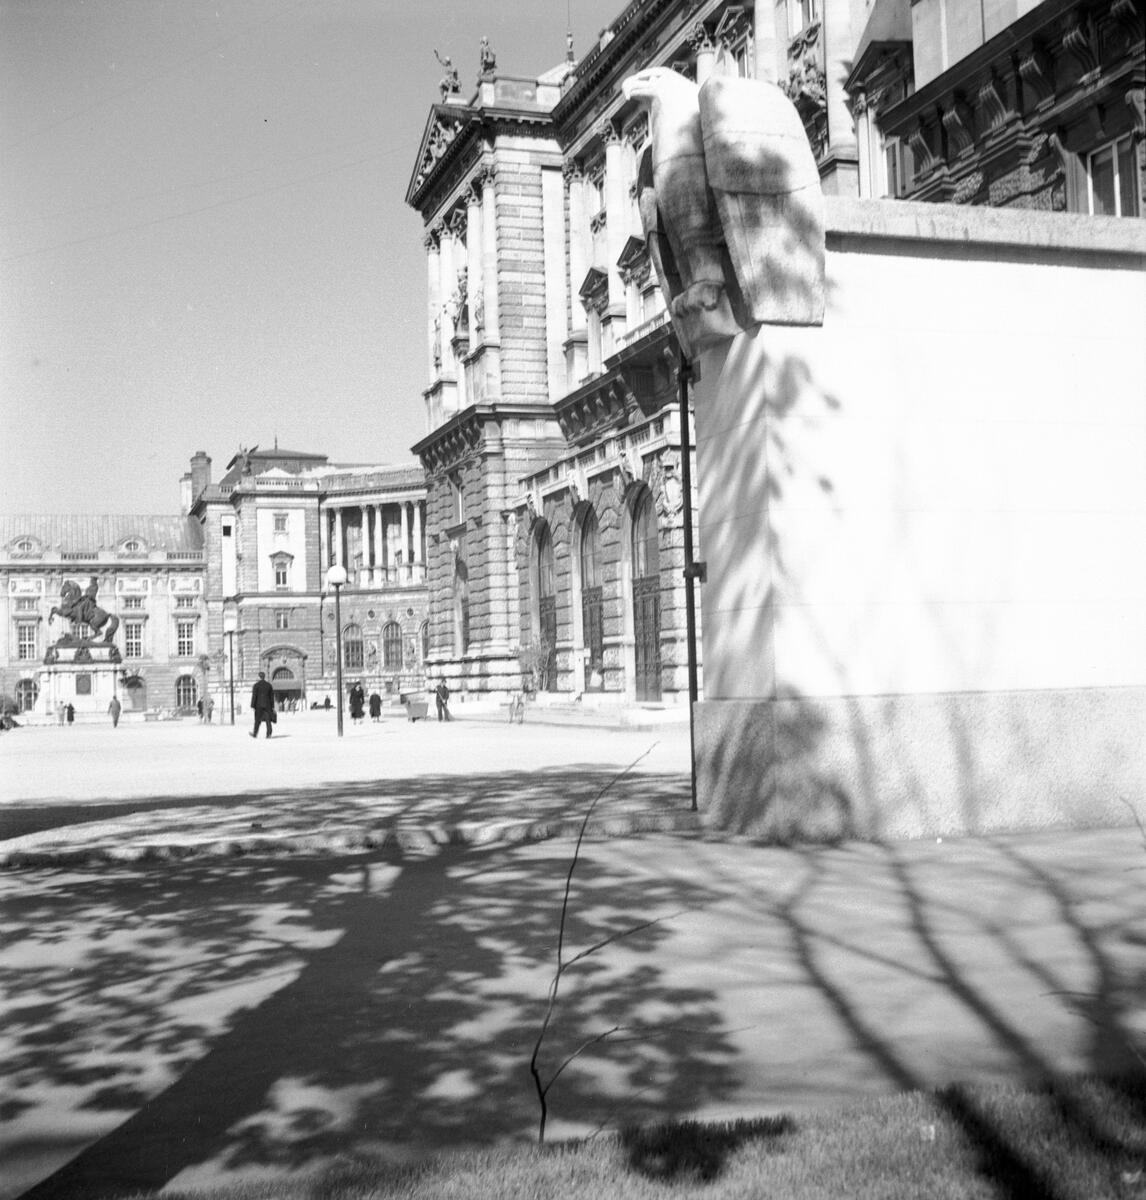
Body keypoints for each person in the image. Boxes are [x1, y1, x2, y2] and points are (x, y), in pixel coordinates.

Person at [250, 671, 276, 739]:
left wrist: (252, 705)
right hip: (267, 705)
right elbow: (271, 696)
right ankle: (269, 734)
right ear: (264, 677)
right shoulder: (269, 685)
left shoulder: (256, 685)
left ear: (259, 677)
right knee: (268, 720)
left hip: (258, 705)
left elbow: (254, 696)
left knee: (257, 720)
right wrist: (272, 706)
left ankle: (255, 733)